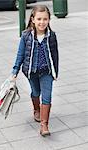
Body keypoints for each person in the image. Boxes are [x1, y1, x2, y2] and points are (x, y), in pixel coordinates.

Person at [12, 5, 59, 137]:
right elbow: (20, 54)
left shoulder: (51, 36)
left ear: (49, 20)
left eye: (45, 19)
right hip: (31, 72)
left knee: (47, 96)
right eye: (39, 19)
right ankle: (36, 109)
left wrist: (55, 72)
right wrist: (14, 72)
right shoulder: (26, 36)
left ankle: (44, 124)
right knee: (36, 92)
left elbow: (55, 55)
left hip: (47, 72)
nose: (42, 22)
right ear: (33, 19)